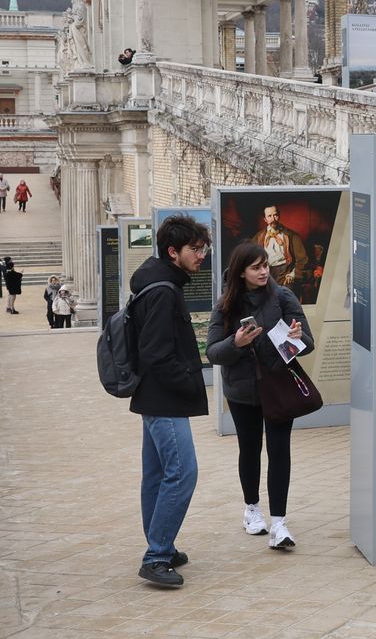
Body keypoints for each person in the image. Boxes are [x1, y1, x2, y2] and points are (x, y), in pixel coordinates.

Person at [206, 242, 313, 552]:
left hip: (278, 386)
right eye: (256, 267)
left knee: (280, 450)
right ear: (241, 272)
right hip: (241, 390)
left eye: (266, 264)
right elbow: (212, 352)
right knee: (250, 449)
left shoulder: (283, 297)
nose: (264, 271)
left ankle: (279, 522)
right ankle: (251, 508)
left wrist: (297, 338)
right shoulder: (225, 305)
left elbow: (308, 341)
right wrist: (236, 343)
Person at [128, 215, 211, 587]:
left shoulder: (158, 280)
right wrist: (190, 385)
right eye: (195, 249)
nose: (202, 256)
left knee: (158, 474)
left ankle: (161, 543)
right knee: (182, 473)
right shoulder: (163, 290)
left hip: (154, 396)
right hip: (165, 399)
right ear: (172, 251)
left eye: (203, 248)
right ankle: (157, 555)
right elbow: (156, 353)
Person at [251, 205, 309, 297]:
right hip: (267, 273)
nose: (273, 218)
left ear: (279, 216)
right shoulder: (258, 237)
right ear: (265, 219)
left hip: (285, 273)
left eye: (275, 215)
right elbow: (250, 257)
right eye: (269, 216)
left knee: (287, 298)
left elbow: (302, 259)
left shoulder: (291, 235)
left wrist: (293, 274)